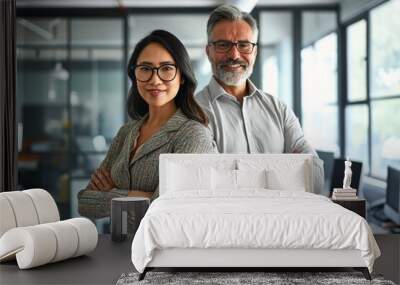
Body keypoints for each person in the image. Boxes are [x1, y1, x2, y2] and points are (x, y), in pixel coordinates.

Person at [78, 30, 217, 221]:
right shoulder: (127, 132)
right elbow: (85, 203)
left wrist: (113, 192)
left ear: (182, 76)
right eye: (145, 68)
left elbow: (167, 212)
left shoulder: (193, 135)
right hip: (119, 246)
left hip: (166, 249)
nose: (155, 80)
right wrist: (140, 197)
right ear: (134, 75)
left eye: (166, 68)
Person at [195, 5, 324, 193]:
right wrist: (286, 171)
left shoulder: (279, 109)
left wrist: (239, 173)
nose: (234, 55)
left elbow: (315, 177)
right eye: (223, 45)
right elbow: (212, 185)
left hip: (285, 220)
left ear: (254, 52)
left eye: (244, 45)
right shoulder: (195, 111)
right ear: (209, 51)